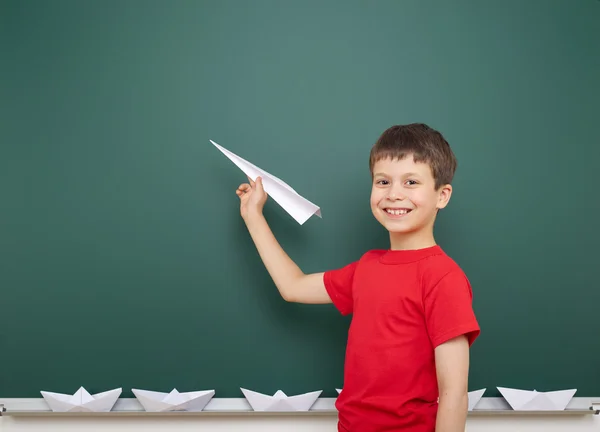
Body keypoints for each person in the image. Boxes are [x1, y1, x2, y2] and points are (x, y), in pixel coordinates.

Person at [235, 123, 480, 432]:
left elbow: (454, 394)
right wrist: (253, 216)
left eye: (411, 182)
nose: (394, 194)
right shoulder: (367, 267)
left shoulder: (444, 277)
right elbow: (293, 286)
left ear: (442, 195)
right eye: (383, 181)